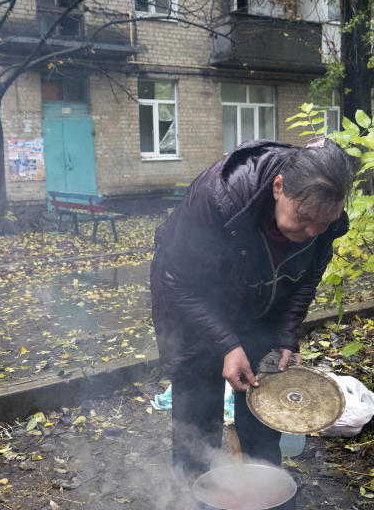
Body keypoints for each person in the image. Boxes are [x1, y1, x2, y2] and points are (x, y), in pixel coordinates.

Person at [149, 138, 353, 479]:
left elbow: (305, 281)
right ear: (278, 187)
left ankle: (263, 495)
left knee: (265, 401)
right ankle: (190, 502)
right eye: (304, 219)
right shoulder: (219, 197)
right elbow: (179, 281)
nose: (313, 233)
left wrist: (287, 336)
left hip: (259, 307)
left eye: (324, 223)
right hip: (191, 303)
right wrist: (228, 345)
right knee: (197, 408)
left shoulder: (320, 217)